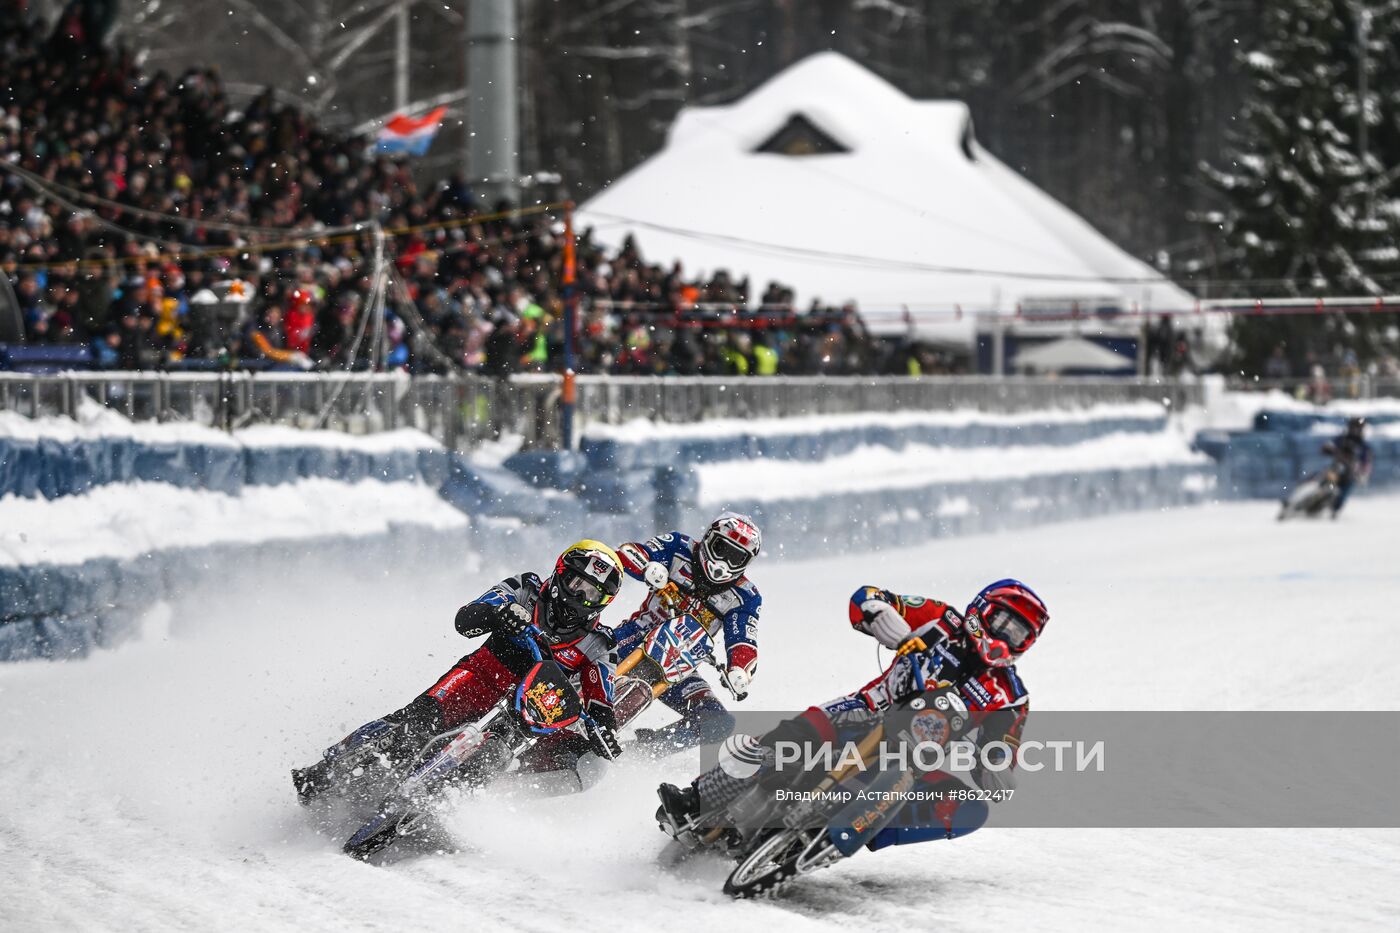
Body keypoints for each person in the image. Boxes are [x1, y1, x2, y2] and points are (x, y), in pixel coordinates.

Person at [656, 579, 1049, 852]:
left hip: (912, 760)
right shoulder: (941, 620)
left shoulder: (1010, 697)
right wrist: (879, 613)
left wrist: (996, 764)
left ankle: (860, 832)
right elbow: (869, 597)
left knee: (969, 809)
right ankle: (695, 799)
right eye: (1003, 624)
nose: (1006, 638)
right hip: (863, 711)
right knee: (789, 738)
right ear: (983, 610)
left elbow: (1001, 758)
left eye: (1018, 635)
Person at [292, 541, 628, 803]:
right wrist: (499, 616)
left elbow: (602, 701)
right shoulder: (525, 588)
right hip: (482, 677)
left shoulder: (601, 643)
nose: (579, 597)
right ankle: (327, 769)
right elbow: (466, 619)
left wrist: (604, 732)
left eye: (591, 594)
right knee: (415, 723)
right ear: (559, 574)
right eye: (576, 583)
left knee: (590, 767)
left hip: (533, 711)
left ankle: (481, 801)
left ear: (604, 602)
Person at [612, 512, 763, 753]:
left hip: (678, 666)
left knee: (717, 722)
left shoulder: (745, 596)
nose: (724, 562)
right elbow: (628, 552)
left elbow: (743, 639)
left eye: (736, 557)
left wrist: (739, 671)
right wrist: (648, 567)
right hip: (635, 637)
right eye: (721, 548)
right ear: (708, 539)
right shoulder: (678, 546)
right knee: (582, 656)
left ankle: (644, 751)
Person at [1322, 417, 1374, 517]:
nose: (1355, 431)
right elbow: (1330, 445)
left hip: (1349, 473)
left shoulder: (1363, 446)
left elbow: (1367, 462)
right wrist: (1327, 448)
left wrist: (1363, 472)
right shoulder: (1342, 439)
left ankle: (1335, 510)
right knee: (1322, 477)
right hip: (1336, 467)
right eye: (1354, 427)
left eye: (1358, 428)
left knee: (1344, 490)